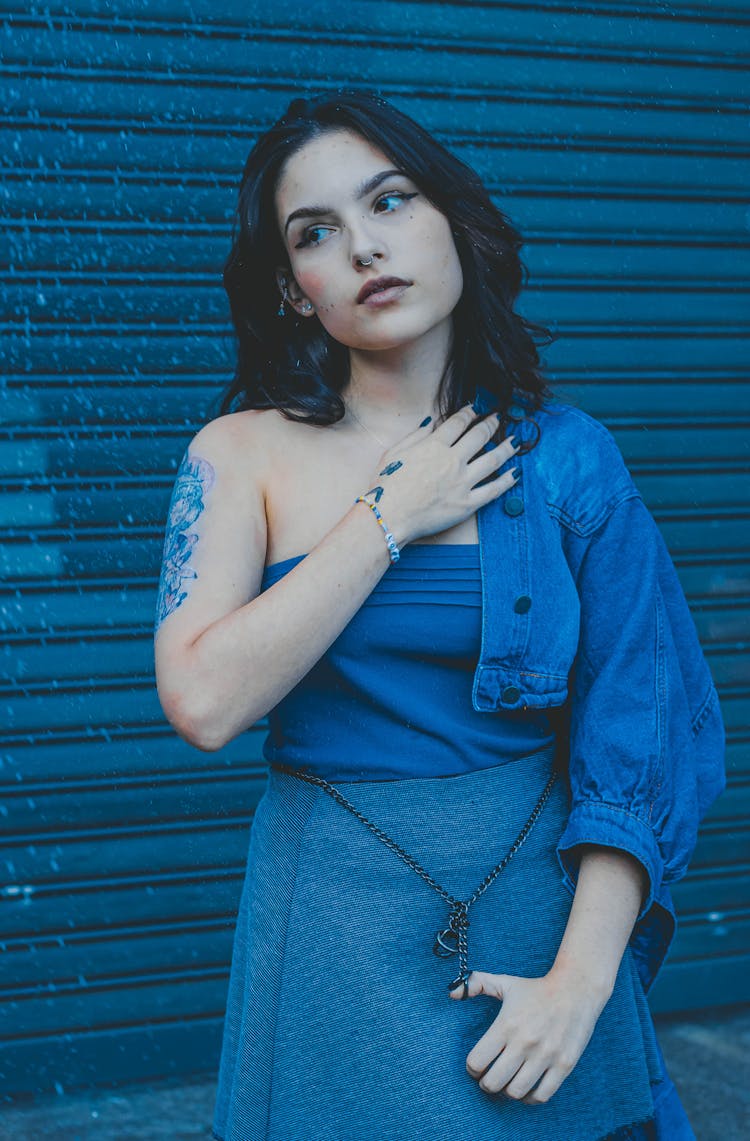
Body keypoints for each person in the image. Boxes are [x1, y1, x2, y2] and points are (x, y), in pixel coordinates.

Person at [153, 90, 726, 1141]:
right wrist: (389, 516)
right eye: (317, 232)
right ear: (292, 288)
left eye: (391, 200)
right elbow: (201, 700)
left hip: (539, 912)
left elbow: (636, 746)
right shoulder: (237, 453)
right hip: (333, 913)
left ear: (452, 221)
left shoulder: (571, 460)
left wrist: (580, 984)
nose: (365, 246)